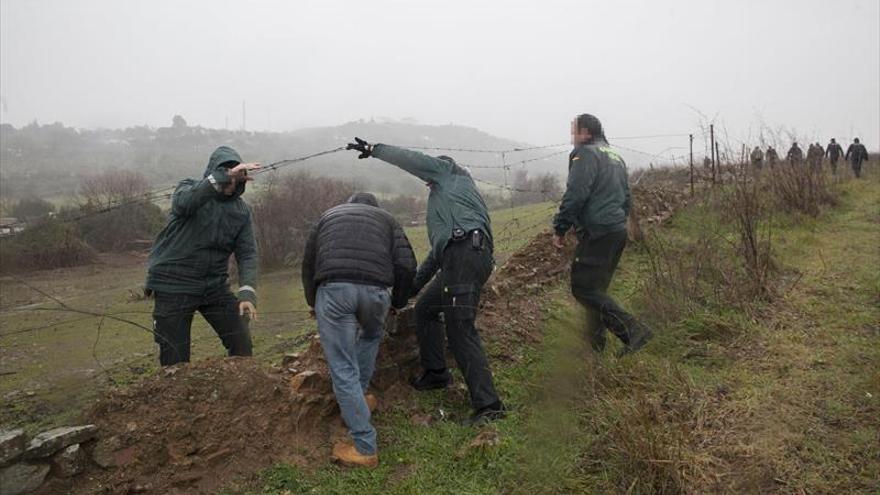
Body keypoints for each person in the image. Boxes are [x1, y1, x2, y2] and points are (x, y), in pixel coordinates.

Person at [345, 137, 506, 427]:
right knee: (426, 310)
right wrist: (405, 295)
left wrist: (375, 150)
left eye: (429, 180)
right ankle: (436, 373)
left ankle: (489, 405)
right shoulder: (452, 202)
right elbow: (435, 256)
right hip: (459, 257)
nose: (428, 185)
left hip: (465, 254)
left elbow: (415, 161)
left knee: (460, 328)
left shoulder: (448, 173)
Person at [301, 192, 416, 468]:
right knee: (372, 334)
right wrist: (396, 302)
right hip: (376, 292)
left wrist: (312, 301)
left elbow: (308, 263)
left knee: (342, 368)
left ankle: (364, 446)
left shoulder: (328, 215)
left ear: (350, 205)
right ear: (374, 208)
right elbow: (406, 264)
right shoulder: (388, 219)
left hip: (335, 290)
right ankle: (361, 399)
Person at [145, 146, 260, 366]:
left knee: (241, 343)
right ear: (214, 173)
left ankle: (240, 393)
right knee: (175, 359)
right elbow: (183, 203)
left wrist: (247, 293)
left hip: (213, 286)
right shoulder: (189, 189)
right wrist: (222, 177)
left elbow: (247, 253)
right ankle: (176, 398)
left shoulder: (241, 211)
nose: (231, 184)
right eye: (227, 176)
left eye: (236, 178)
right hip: (173, 284)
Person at [552, 113, 653, 355]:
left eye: (574, 131)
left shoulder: (584, 153)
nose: (572, 138)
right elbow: (626, 196)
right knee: (596, 290)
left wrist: (560, 227)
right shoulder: (614, 156)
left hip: (597, 231)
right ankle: (595, 351)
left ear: (586, 132)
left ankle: (633, 330)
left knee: (582, 288)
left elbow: (576, 193)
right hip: (616, 231)